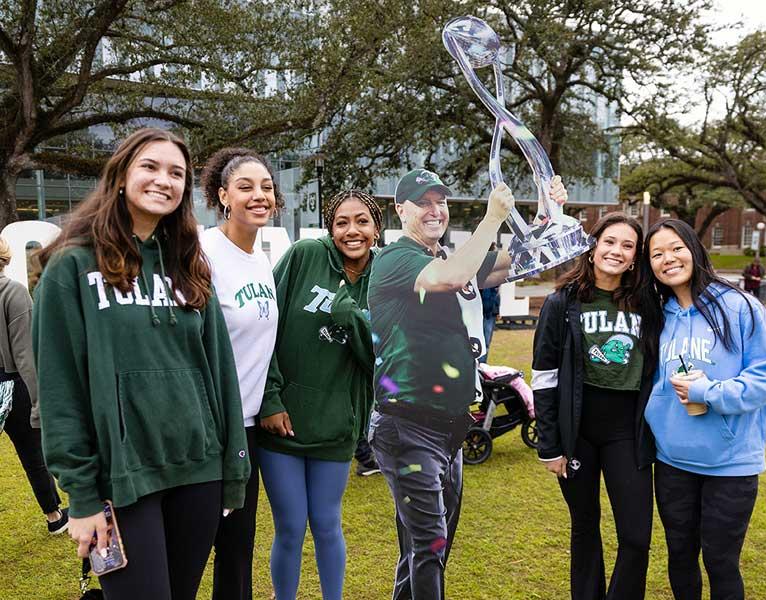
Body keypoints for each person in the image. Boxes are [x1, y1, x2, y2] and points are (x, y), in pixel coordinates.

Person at [33, 128, 250, 600]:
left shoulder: (190, 267)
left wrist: (233, 469)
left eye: (177, 173)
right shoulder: (71, 267)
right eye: (150, 167)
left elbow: (221, 376)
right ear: (120, 176)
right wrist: (83, 496)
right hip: (121, 479)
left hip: (198, 474)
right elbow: (59, 389)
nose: (164, 181)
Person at [367, 168, 567, 599]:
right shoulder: (394, 260)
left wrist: (550, 215)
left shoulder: (449, 260)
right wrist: (492, 217)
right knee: (429, 542)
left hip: (450, 429)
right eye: (423, 202)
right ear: (400, 210)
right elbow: (453, 277)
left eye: (441, 202)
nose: (435, 210)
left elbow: (519, 260)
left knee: (429, 546)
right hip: (406, 427)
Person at [638, 219, 766, 600]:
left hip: (730, 464)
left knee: (721, 562)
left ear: (694, 250)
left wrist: (709, 391)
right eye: (656, 254)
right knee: (680, 557)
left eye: (676, 248)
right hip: (672, 463)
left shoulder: (740, 307)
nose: (667, 259)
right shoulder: (657, 316)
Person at [258, 189, 382, 600]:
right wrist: (271, 399)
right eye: (343, 221)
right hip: (283, 424)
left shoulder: (385, 279)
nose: (353, 231)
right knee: (290, 526)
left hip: (338, 425)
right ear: (330, 227)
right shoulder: (304, 256)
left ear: (377, 229)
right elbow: (264, 328)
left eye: (362, 221)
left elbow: (380, 361)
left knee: (327, 524)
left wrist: (351, 317)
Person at [532, 212, 654, 600]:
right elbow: (545, 376)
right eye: (609, 241)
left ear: (636, 256)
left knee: (636, 536)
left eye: (627, 245)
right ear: (593, 245)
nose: (616, 251)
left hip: (626, 431)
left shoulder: (647, 302)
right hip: (578, 430)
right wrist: (550, 445)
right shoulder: (561, 302)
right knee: (585, 526)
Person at [200, 148, 282, 600]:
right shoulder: (203, 253)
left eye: (266, 187)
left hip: (246, 432)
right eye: (246, 187)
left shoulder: (261, 262)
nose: (259, 195)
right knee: (191, 548)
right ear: (223, 196)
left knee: (237, 551)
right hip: (207, 429)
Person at [0, 237, 69, 534]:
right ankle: (54, 517)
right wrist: (41, 402)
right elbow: (26, 354)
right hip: (12, 384)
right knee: (32, 455)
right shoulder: (13, 292)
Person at [479, 242, 501, 363]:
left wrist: (497, 310)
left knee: (486, 342)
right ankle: (477, 368)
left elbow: (497, 293)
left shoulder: (495, 271)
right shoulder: (478, 268)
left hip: (490, 313)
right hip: (478, 311)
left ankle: (482, 366)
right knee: (478, 342)